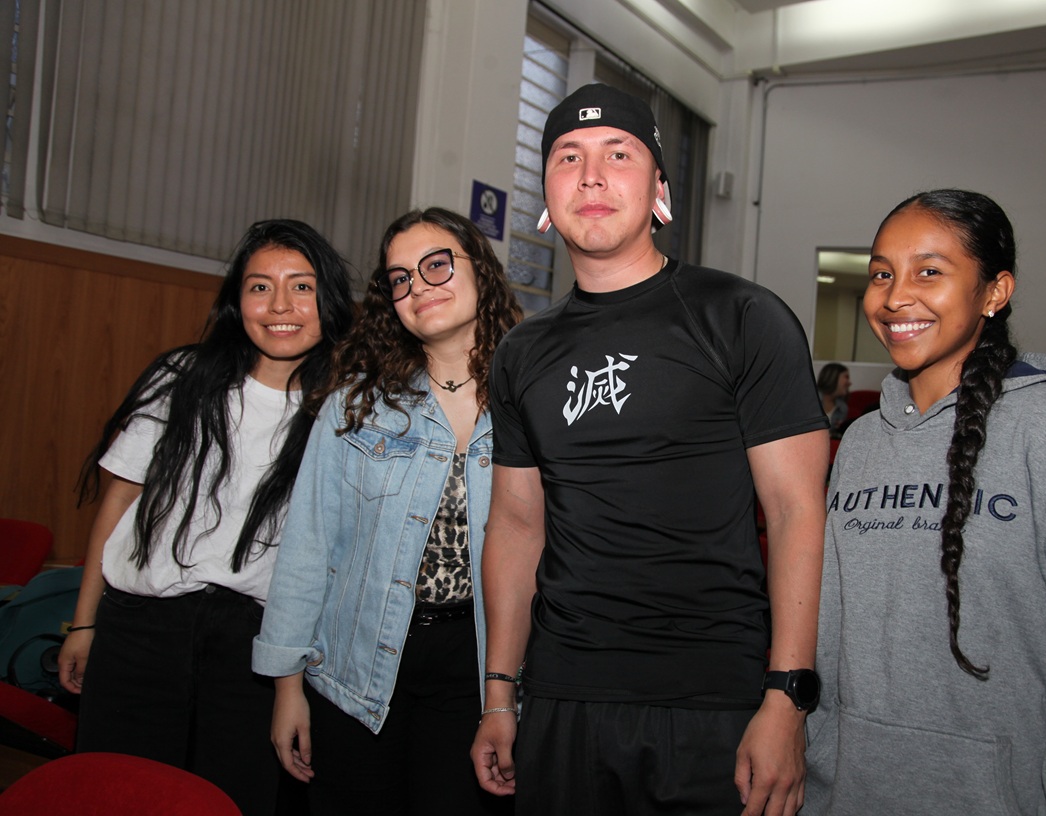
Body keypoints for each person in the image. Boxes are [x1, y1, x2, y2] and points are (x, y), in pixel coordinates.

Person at [470, 84, 828, 816]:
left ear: (660, 188)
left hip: (711, 701)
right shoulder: (521, 351)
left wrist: (787, 696)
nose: (591, 177)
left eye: (619, 155)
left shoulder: (743, 317)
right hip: (562, 695)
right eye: (568, 157)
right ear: (546, 194)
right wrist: (500, 696)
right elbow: (516, 525)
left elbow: (796, 511)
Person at [803, 190, 1046, 815]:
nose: (895, 296)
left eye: (928, 272)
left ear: (994, 292)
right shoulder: (859, 443)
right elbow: (828, 633)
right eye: (881, 274)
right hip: (848, 792)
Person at [60, 219, 354, 814]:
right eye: (259, 287)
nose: (280, 306)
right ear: (236, 301)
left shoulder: (348, 413)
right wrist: (83, 623)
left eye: (301, 287)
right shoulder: (181, 379)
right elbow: (118, 502)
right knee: (116, 794)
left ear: (329, 301)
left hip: (254, 648)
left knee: (228, 800)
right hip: (139, 629)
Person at [253, 208, 521, 815]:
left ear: (480, 271)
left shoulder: (531, 401)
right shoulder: (357, 402)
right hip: (355, 662)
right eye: (401, 278)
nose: (419, 286)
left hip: (478, 667)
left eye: (436, 266)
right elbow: (308, 547)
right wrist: (287, 686)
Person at [816, 363, 851, 437]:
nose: (850, 383)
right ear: (833, 377)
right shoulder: (811, 401)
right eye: (846, 377)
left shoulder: (843, 408)